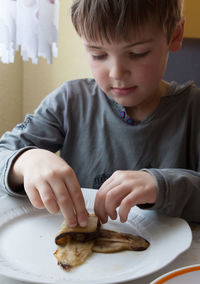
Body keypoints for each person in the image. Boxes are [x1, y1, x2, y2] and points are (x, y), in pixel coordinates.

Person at [0, 0, 199, 228]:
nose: (116, 73)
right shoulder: (68, 102)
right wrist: (26, 161)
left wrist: (162, 185)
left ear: (175, 35)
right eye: (97, 54)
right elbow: (3, 153)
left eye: (137, 53)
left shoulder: (194, 110)